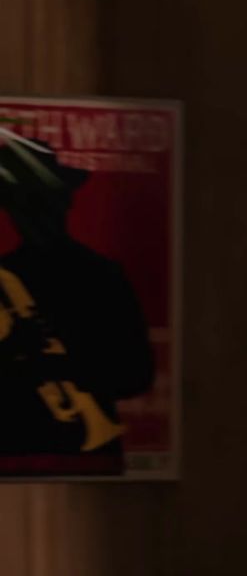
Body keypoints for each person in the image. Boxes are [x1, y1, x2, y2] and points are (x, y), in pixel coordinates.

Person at [0, 136, 153, 474]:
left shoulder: (103, 277)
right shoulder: (5, 278)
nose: (34, 213)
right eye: (24, 203)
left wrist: (64, 364)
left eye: (42, 200)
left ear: (64, 200)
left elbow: (137, 375)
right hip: (13, 458)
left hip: (86, 460)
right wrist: (15, 350)